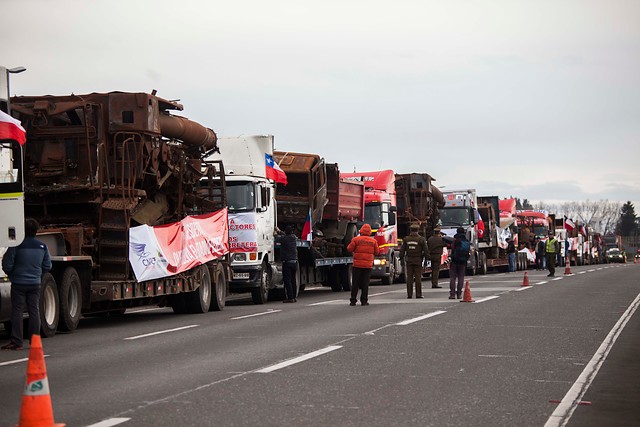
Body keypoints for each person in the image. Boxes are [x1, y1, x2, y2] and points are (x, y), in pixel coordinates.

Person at [1, 218, 52, 351]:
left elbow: (7, 264)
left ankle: (17, 341)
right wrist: (37, 274)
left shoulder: (16, 246)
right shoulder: (42, 246)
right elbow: (48, 265)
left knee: (17, 311)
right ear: (36, 231)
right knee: (34, 310)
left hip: (18, 283)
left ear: (22, 230)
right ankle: (35, 341)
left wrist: (12, 274)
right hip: (35, 283)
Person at [347, 223, 379, 306]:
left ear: (361, 231)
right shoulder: (373, 241)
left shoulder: (356, 240)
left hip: (357, 265)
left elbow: (349, 249)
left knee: (355, 283)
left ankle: (353, 300)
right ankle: (364, 301)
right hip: (368, 265)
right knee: (365, 284)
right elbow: (377, 252)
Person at [400, 223, 429, 298]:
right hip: (418, 260)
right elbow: (426, 251)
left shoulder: (406, 239)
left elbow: (402, 251)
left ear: (410, 230)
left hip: (409, 260)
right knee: (418, 278)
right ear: (418, 230)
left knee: (409, 278)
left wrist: (401, 260)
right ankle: (418, 294)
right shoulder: (421, 239)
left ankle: (409, 295)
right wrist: (426, 260)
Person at [277, 225, 298, 303]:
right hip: (294, 262)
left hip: (287, 262)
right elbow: (284, 235)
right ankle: (294, 297)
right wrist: (280, 231)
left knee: (287, 281)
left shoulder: (283, 239)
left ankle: (290, 297)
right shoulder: (294, 238)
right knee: (293, 280)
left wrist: (277, 232)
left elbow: (278, 238)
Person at [449, 227, 469, 299]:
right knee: (461, 278)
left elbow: (453, 248)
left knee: (453, 277)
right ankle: (459, 294)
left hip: (454, 261)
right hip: (463, 262)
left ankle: (452, 294)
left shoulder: (455, 240)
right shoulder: (466, 241)